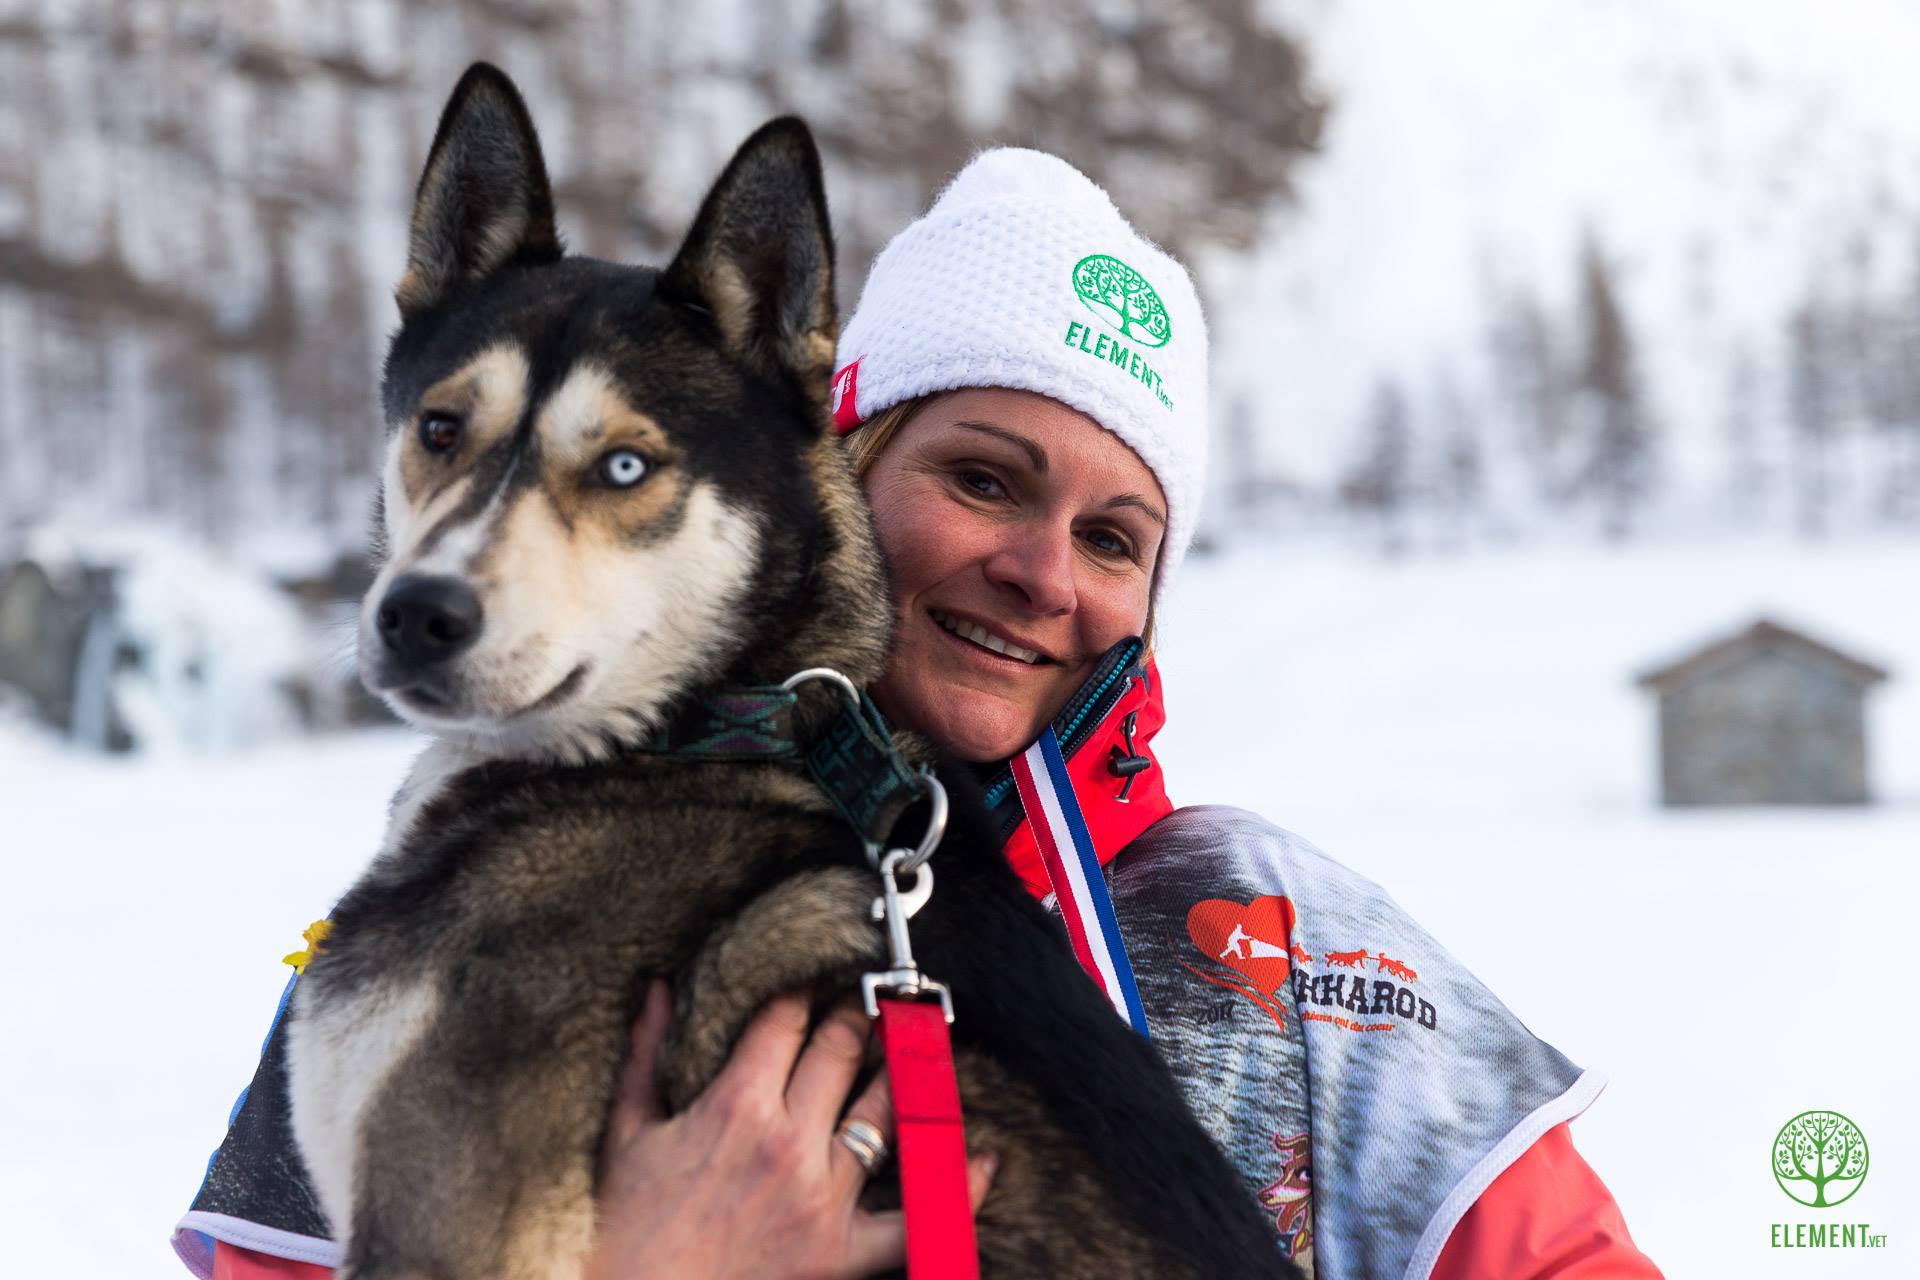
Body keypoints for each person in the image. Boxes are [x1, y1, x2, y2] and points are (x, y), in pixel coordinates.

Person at [180, 150, 1663, 1280]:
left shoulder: (1280, 938)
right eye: (982, 479)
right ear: (838, 466)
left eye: (1115, 539)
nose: (1041, 574)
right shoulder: (480, 913)